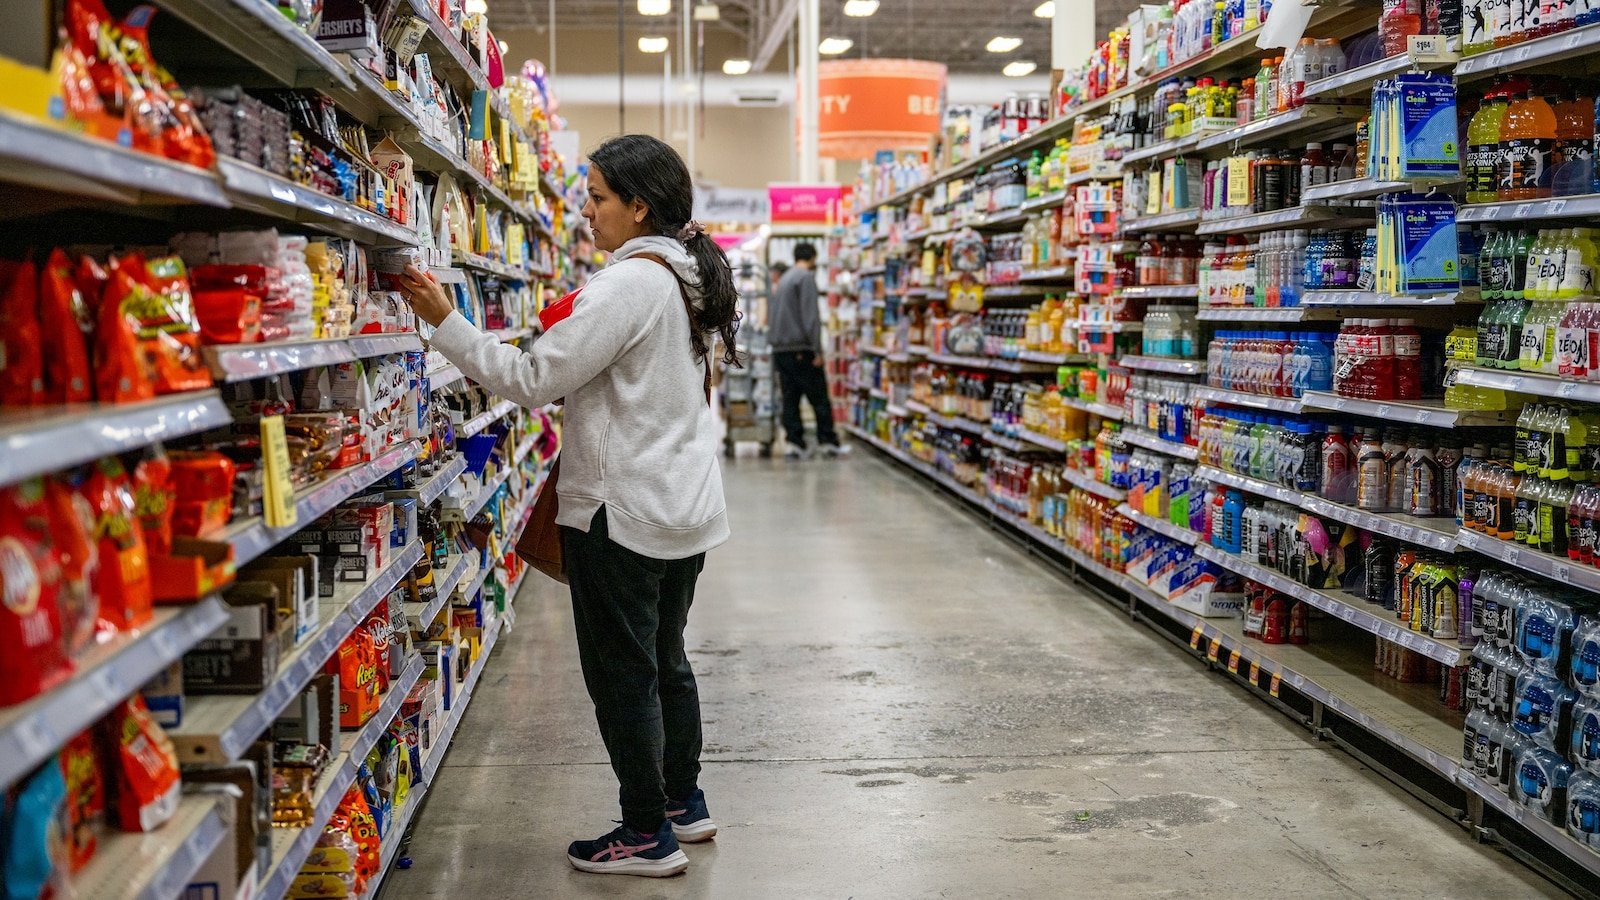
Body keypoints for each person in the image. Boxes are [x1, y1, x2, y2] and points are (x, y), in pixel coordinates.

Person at [397, 134, 737, 879]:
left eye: (597, 197)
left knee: (624, 676)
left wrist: (446, 321)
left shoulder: (629, 285)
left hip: (626, 512)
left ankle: (646, 833)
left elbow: (530, 379)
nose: (586, 212)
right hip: (683, 505)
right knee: (667, 661)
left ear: (638, 207)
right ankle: (683, 801)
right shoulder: (688, 277)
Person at [768, 242, 848, 458]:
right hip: (801, 348)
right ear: (813, 258)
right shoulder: (805, 278)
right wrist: (817, 350)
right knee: (819, 396)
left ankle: (795, 443)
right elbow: (810, 317)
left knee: (790, 397)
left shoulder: (785, 278)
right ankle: (827, 441)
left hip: (781, 349)